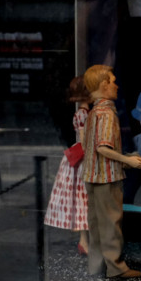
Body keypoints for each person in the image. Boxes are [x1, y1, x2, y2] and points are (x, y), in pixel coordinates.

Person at [80, 65, 141, 278]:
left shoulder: (93, 112)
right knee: (110, 223)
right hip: (107, 177)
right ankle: (116, 268)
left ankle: (96, 266)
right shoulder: (107, 113)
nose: (117, 86)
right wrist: (127, 160)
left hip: (92, 175)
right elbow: (102, 147)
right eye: (113, 81)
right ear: (103, 85)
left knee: (96, 225)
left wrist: (123, 160)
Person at [44, 77, 91, 255]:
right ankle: (84, 241)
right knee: (83, 200)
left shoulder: (83, 113)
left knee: (83, 200)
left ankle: (85, 241)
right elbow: (84, 139)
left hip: (80, 156)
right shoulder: (83, 114)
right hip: (81, 159)